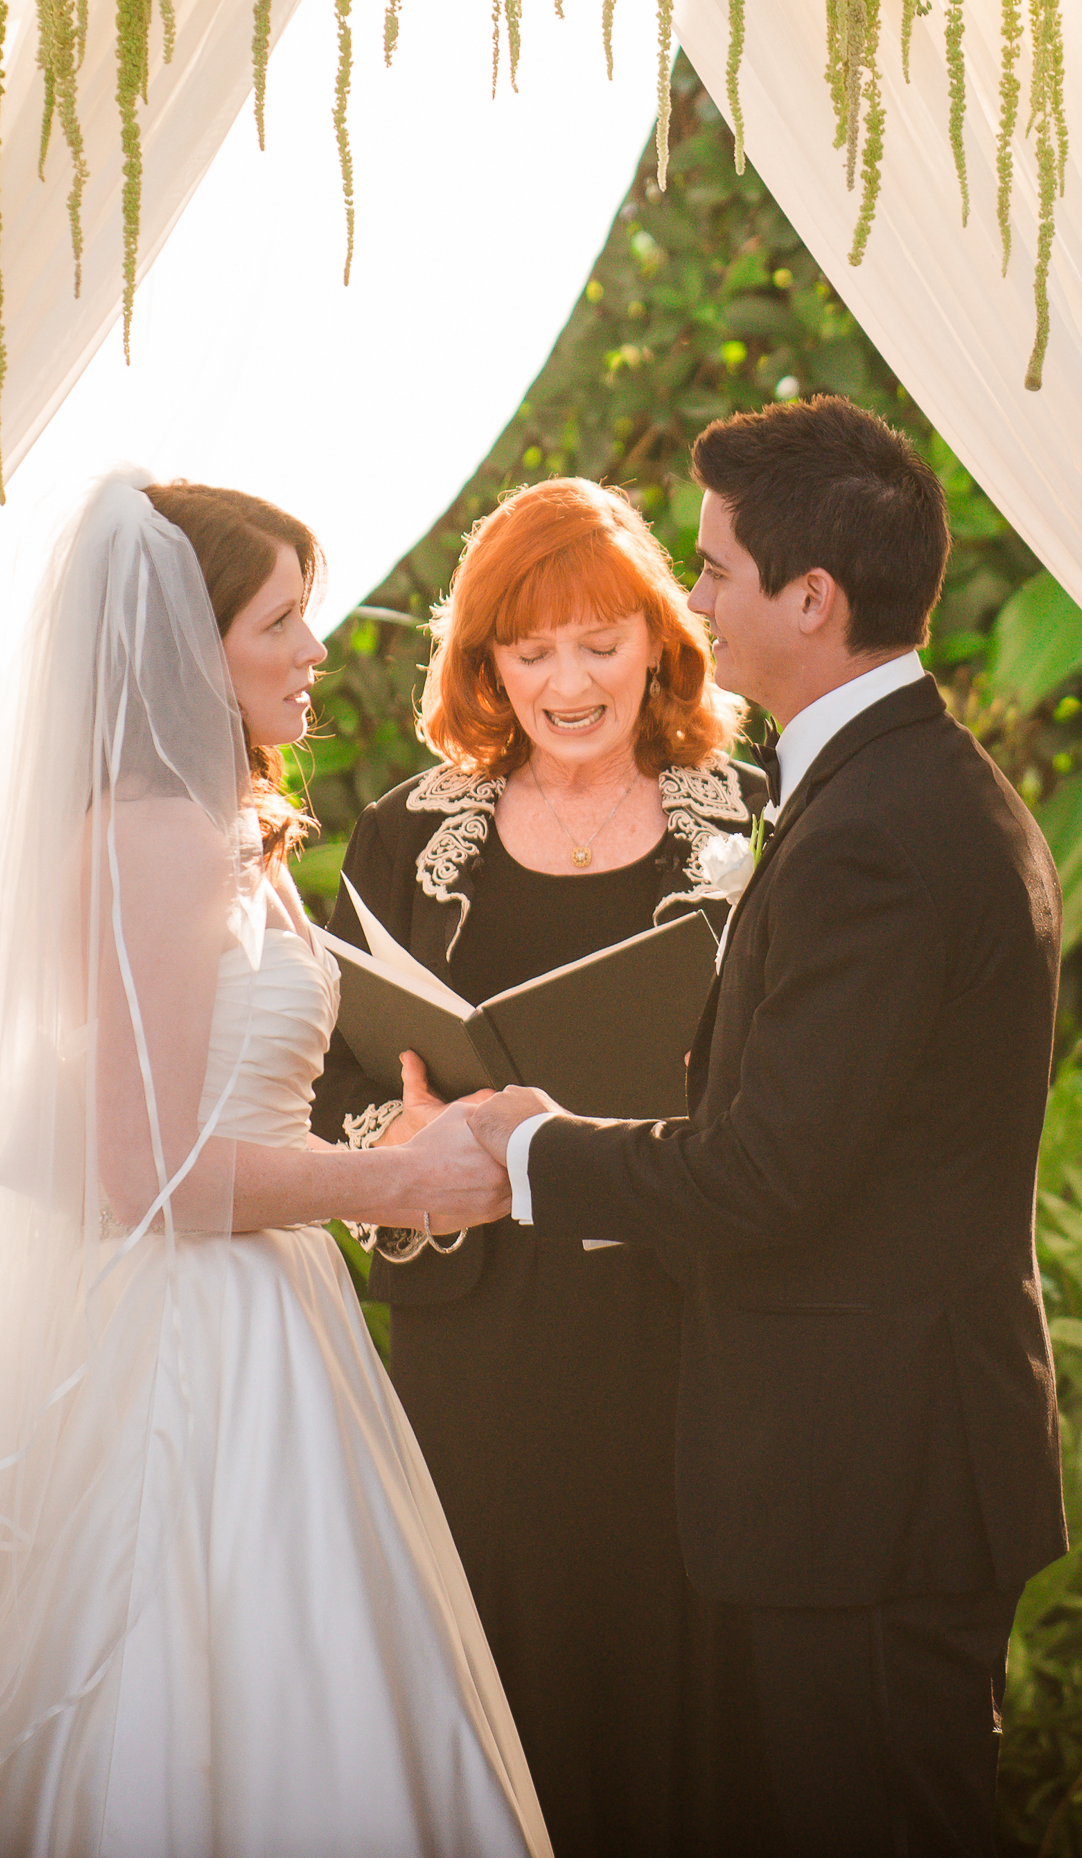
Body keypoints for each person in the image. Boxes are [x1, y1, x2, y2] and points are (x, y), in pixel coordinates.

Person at [0, 470, 538, 1857]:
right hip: (183, 1347)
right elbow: (137, 1168)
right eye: (281, 620)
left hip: (269, 1307)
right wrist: (393, 1186)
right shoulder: (157, 839)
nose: (315, 649)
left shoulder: (232, 833)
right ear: (186, 647)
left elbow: (190, 1113)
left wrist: (377, 1146)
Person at [463, 396, 1068, 1858]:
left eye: (716, 570)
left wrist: (526, 1147)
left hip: (868, 1479)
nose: (696, 602)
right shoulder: (899, 785)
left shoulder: (876, 832)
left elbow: (768, 1171)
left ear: (813, 597)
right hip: (873, 1468)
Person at [315, 476, 770, 1854]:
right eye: (530, 652)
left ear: (660, 638)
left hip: (689, 1337)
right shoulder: (408, 838)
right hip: (484, 1351)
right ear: (483, 664)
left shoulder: (758, 823)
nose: (569, 683)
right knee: (493, 1688)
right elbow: (333, 1074)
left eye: (601, 643)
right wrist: (381, 1149)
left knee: (687, 1694)